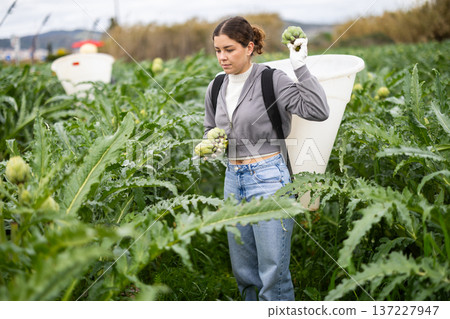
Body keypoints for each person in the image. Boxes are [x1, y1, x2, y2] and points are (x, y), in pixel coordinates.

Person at [203, 16, 329, 301]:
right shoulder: (216, 86)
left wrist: (300, 66)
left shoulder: (273, 79)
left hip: (269, 179)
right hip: (233, 180)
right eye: (217, 50)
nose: (222, 57)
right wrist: (211, 143)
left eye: (229, 49)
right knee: (244, 270)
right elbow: (211, 128)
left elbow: (318, 110)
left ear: (249, 47)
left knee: (273, 271)